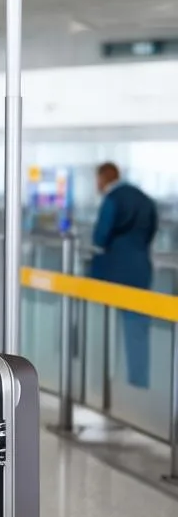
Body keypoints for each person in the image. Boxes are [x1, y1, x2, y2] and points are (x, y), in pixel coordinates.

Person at [90, 162, 157, 389]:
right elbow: (150, 232)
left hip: (113, 271)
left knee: (106, 328)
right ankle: (137, 382)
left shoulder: (113, 199)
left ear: (103, 179)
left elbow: (100, 237)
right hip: (141, 269)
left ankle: (106, 383)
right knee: (137, 329)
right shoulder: (144, 198)